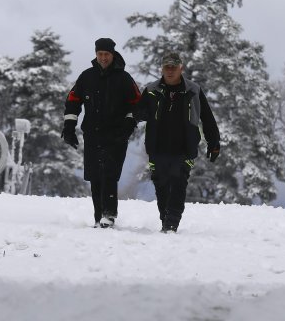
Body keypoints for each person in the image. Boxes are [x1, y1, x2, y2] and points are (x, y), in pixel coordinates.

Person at [135, 51, 220, 233]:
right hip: (157, 148)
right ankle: (165, 220)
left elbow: (207, 118)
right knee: (161, 186)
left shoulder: (194, 90)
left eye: (174, 67)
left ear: (181, 68)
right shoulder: (151, 90)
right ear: (162, 68)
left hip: (184, 148)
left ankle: (171, 224)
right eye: (167, 67)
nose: (170, 70)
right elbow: (137, 113)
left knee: (179, 183)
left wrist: (214, 143)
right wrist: (136, 115)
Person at [62, 37, 141, 228]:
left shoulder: (124, 79)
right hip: (92, 134)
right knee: (95, 176)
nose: (103, 58)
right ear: (96, 54)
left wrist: (129, 124)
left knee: (109, 174)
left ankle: (109, 215)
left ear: (112, 55)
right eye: (100, 54)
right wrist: (69, 127)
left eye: (106, 54)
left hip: (116, 135)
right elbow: (73, 100)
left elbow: (137, 104)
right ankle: (99, 218)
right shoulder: (86, 77)